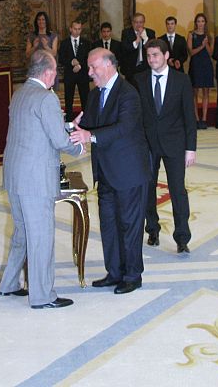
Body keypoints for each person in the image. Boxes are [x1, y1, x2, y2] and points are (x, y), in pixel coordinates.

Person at [0, 50, 84, 309]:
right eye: (55, 71)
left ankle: (9, 283)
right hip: (35, 179)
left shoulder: (21, 92)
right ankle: (43, 296)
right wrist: (79, 145)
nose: (56, 75)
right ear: (47, 73)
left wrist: (66, 125)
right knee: (41, 237)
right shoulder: (46, 97)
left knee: (23, 233)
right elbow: (58, 140)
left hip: (15, 174)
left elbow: (38, 128)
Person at [69, 48, 150, 295]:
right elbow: (88, 123)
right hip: (104, 172)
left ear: (109, 65)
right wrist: (74, 127)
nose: (89, 72)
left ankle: (132, 275)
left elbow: (123, 128)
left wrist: (89, 135)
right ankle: (114, 272)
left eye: (93, 67)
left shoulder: (128, 94)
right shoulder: (95, 95)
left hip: (129, 172)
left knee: (130, 225)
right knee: (109, 224)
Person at [137, 39, 197, 253]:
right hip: (148, 145)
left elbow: (189, 116)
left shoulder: (181, 81)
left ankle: (182, 237)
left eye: (155, 55)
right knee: (147, 189)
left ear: (166, 55)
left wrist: (191, 148)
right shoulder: (139, 80)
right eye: (149, 55)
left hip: (175, 144)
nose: (151, 59)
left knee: (178, 190)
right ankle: (152, 229)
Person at [58, 20, 91, 122]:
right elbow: (61, 59)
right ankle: (69, 120)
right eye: (75, 29)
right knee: (68, 99)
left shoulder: (86, 43)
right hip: (69, 75)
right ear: (70, 29)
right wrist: (71, 62)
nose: (77, 31)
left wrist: (80, 65)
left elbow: (88, 58)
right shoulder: (64, 43)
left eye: (79, 29)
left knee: (85, 98)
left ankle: (86, 120)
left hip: (83, 75)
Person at [187, 13, 214, 130]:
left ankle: (204, 118)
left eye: (202, 21)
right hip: (196, 64)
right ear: (195, 23)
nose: (200, 24)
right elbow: (191, 52)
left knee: (206, 92)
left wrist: (206, 44)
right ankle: (196, 118)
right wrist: (201, 46)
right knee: (195, 93)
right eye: (198, 21)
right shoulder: (191, 35)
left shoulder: (209, 35)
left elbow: (211, 53)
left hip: (206, 64)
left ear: (205, 23)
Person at [120, 13, 156, 89]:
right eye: (136, 22)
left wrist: (145, 38)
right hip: (131, 68)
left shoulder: (150, 33)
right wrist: (136, 42)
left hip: (146, 67)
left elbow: (153, 49)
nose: (138, 24)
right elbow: (125, 48)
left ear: (144, 22)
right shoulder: (126, 33)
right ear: (132, 22)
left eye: (141, 22)